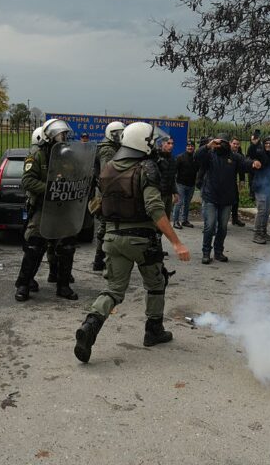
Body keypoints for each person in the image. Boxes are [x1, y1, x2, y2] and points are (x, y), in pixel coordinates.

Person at [73, 121, 190, 363]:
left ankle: (89, 326)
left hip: (112, 238)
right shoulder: (145, 169)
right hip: (142, 240)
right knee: (156, 283)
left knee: (113, 290)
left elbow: (96, 205)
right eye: (152, 142)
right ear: (142, 143)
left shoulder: (108, 168)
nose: (155, 146)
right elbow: (155, 208)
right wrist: (177, 242)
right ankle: (153, 330)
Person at [14, 119, 80, 302]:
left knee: (67, 247)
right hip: (44, 207)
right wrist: (50, 188)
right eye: (62, 134)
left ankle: (63, 286)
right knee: (35, 245)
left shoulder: (68, 156)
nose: (65, 137)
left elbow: (77, 176)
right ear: (50, 136)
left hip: (64, 207)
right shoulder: (37, 156)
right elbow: (27, 181)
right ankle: (24, 285)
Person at [195, 133, 261, 264]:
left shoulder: (234, 157)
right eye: (219, 142)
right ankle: (206, 252)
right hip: (210, 196)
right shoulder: (209, 155)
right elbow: (196, 157)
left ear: (229, 144)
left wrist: (253, 163)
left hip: (226, 198)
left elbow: (245, 163)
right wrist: (208, 146)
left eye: (224, 143)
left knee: (223, 227)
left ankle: (218, 252)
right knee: (210, 225)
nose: (221, 145)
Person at [92, 121, 125, 271]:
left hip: (108, 191)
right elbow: (108, 173)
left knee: (107, 225)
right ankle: (99, 260)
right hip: (107, 192)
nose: (120, 136)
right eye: (117, 133)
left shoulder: (114, 147)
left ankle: (102, 259)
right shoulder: (107, 150)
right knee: (105, 225)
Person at [247, 135, 270, 244]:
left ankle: (263, 232)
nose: (268, 145)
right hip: (260, 186)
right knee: (262, 211)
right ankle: (257, 234)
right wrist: (253, 144)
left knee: (267, 211)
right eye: (266, 143)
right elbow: (251, 154)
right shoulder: (260, 153)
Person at [172, 140, 197, 229]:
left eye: (192, 146)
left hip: (191, 184)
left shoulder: (196, 158)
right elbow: (174, 171)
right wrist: (173, 184)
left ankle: (184, 220)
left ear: (194, 147)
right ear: (186, 147)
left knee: (187, 203)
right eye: (188, 146)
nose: (190, 147)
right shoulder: (180, 157)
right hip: (180, 184)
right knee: (179, 203)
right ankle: (175, 221)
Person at [157, 136, 178, 220]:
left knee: (166, 218)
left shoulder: (172, 159)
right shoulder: (156, 158)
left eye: (172, 144)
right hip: (158, 194)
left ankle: (160, 233)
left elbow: (172, 177)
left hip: (168, 194)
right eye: (168, 143)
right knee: (158, 218)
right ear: (162, 144)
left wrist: (175, 192)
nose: (171, 145)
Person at [230, 137, 247, 227]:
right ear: (230, 143)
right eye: (234, 143)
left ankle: (235, 219)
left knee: (236, 200)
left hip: (233, 180)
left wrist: (242, 180)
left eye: (237, 144)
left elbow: (242, 168)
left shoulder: (239, 154)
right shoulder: (226, 153)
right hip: (224, 181)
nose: (236, 145)